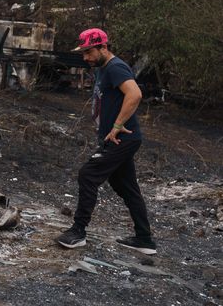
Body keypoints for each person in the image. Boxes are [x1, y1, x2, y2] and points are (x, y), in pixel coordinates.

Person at [55, 28, 157, 254]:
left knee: (88, 175)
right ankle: (144, 239)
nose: (85, 57)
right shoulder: (102, 68)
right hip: (116, 138)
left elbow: (135, 94)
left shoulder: (115, 67)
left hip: (123, 138)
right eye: (83, 53)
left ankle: (78, 232)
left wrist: (117, 126)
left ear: (103, 47)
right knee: (126, 187)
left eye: (88, 52)